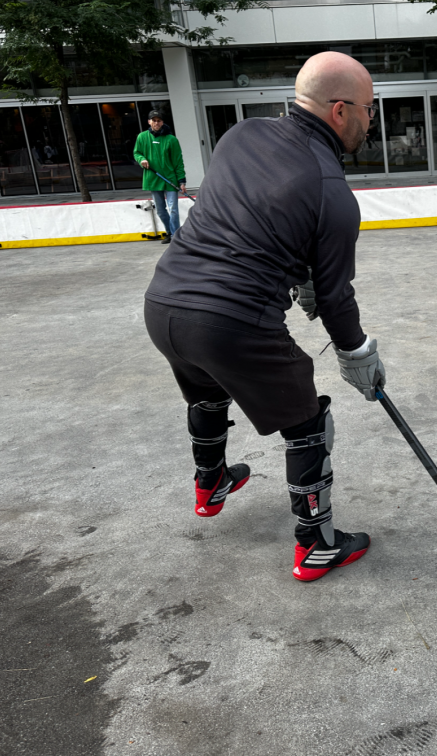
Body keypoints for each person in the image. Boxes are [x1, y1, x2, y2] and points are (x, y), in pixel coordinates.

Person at [143, 51, 385, 583]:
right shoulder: (332, 191)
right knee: (308, 424)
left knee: (207, 389)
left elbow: (254, 207)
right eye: (370, 108)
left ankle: (211, 483)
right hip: (231, 321)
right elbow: (336, 296)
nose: (372, 119)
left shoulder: (240, 135)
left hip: (164, 304)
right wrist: (357, 353)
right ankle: (316, 546)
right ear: (340, 110)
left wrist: (299, 270)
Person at [134, 110, 187, 244]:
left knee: (173, 209)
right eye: (154, 120)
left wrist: (182, 181)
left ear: (162, 122)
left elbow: (178, 161)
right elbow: (137, 153)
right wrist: (142, 159)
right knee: (160, 210)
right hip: (153, 178)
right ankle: (169, 232)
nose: (156, 123)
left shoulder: (171, 140)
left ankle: (175, 235)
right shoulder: (142, 137)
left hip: (170, 179)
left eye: (159, 120)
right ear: (149, 122)